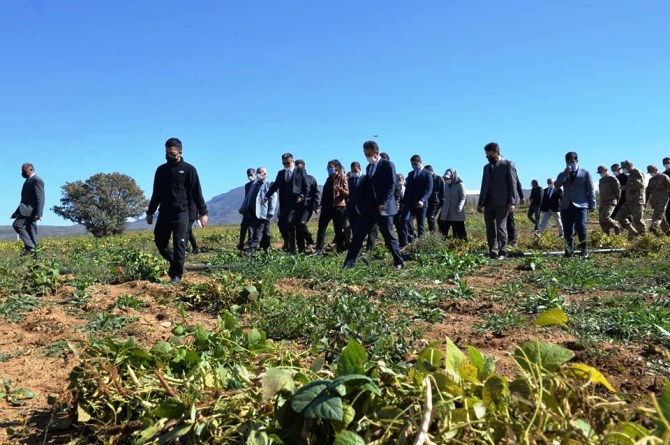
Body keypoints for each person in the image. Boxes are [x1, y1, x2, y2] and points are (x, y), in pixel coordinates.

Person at [147, 138, 208, 284]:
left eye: (172, 153)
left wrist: (203, 212)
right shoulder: (161, 170)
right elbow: (156, 193)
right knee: (160, 240)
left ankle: (176, 275)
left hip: (182, 211)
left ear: (179, 152)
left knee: (179, 242)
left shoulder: (189, 169)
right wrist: (150, 212)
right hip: (165, 212)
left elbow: (196, 192)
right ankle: (175, 262)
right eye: (167, 153)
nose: (169, 156)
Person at [343, 141, 404, 269]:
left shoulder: (388, 165)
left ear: (376, 152)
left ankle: (399, 262)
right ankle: (348, 264)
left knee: (388, 236)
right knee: (358, 235)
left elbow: (391, 186)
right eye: (365, 154)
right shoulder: (369, 167)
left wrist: (384, 203)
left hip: (383, 208)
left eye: (369, 154)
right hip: (369, 208)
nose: (367, 156)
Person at [477, 142, 519, 259]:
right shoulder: (486, 168)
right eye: (486, 156)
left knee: (501, 227)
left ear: (496, 152)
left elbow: (513, 183)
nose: (488, 158)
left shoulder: (508, 164)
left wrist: (512, 202)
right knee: (490, 228)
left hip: (503, 202)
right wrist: (480, 203)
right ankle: (493, 252)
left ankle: (503, 251)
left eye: (490, 155)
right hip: (488, 202)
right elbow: (483, 185)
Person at [554, 151, 595, 258]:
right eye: (568, 161)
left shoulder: (585, 173)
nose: (570, 163)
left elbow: (591, 189)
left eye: (572, 161)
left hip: (581, 205)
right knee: (567, 230)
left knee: (581, 227)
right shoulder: (562, 174)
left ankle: (584, 250)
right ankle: (569, 251)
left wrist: (592, 204)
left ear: (577, 161)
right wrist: (564, 173)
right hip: (566, 205)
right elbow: (557, 185)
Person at [264, 153, 307, 254]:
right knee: (281, 223)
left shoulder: (300, 171)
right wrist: (267, 196)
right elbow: (275, 186)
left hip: (295, 203)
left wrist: (302, 195)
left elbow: (306, 186)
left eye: (287, 163)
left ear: (292, 161)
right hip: (284, 203)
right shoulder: (281, 173)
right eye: (284, 163)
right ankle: (287, 241)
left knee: (289, 223)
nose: (286, 165)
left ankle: (292, 248)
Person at [314, 160, 349, 254]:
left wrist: (340, 190)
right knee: (321, 227)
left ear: (336, 167)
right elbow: (325, 193)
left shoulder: (343, 177)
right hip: (327, 207)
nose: (329, 169)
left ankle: (340, 250)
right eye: (328, 168)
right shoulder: (328, 179)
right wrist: (320, 205)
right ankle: (319, 249)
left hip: (338, 207)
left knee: (338, 229)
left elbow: (347, 193)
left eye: (331, 167)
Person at [399, 155, 433, 247]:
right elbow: (408, 189)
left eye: (415, 164)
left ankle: (421, 245)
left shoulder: (427, 174)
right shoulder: (410, 174)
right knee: (405, 220)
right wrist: (404, 202)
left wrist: (422, 200)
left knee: (420, 224)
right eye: (412, 164)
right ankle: (408, 242)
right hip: (410, 203)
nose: (414, 165)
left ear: (420, 162)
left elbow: (429, 189)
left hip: (421, 203)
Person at [242, 167, 277, 255]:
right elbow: (248, 198)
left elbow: (273, 197)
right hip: (253, 212)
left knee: (258, 231)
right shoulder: (254, 185)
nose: (258, 174)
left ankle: (252, 250)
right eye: (257, 172)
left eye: (260, 172)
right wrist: (244, 207)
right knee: (263, 231)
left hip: (263, 212)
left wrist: (270, 211)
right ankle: (265, 249)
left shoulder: (269, 184)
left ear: (265, 174)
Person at [12, 163, 45, 255]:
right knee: (32, 230)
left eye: (24, 170)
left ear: (30, 170)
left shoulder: (36, 180)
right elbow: (25, 200)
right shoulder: (28, 181)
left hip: (30, 211)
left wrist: (39, 213)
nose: (22, 172)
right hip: (27, 210)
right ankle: (36, 255)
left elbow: (40, 198)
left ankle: (30, 247)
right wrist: (16, 212)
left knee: (17, 224)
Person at [347, 162, 377, 252]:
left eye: (355, 170)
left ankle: (369, 248)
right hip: (352, 208)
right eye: (352, 170)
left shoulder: (365, 179)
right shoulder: (350, 180)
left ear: (359, 169)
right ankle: (358, 247)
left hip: (364, 207)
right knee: (355, 228)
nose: (353, 172)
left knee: (370, 229)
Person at [616, 160, 646, 239]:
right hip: (629, 201)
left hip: (637, 201)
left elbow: (640, 185)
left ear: (629, 166)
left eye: (624, 168)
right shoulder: (630, 175)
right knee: (619, 216)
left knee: (638, 221)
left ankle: (643, 239)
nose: (623, 170)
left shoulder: (637, 173)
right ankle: (634, 233)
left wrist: (626, 187)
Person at [295, 160, 319, 253]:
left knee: (302, 223)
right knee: (297, 227)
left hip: (307, 206)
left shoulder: (311, 179)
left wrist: (317, 205)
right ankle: (301, 249)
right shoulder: (294, 180)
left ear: (304, 166)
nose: (298, 168)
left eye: (300, 167)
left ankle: (309, 239)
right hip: (296, 207)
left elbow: (317, 193)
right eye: (296, 166)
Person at [437, 168, 467, 240]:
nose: (447, 179)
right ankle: (442, 243)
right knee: (442, 226)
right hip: (446, 209)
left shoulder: (460, 184)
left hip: (456, 210)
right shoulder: (446, 185)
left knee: (458, 228)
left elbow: (463, 197)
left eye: (448, 178)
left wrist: (460, 206)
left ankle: (460, 245)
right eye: (446, 178)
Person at [596, 165, 622, 235]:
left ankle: (616, 225)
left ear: (606, 170)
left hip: (611, 201)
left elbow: (618, 191)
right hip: (603, 202)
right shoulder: (601, 181)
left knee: (605, 217)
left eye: (601, 172)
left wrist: (617, 200)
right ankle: (607, 235)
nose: (600, 174)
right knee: (601, 220)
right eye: (599, 172)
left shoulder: (612, 179)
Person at [645, 165, 670, 236]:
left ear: (656, 170)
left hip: (663, 200)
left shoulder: (664, 177)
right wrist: (645, 202)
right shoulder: (651, 180)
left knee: (657, 216)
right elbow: (648, 192)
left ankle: (654, 228)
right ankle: (668, 231)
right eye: (649, 172)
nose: (651, 174)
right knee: (661, 216)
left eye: (651, 172)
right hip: (654, 202)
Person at [236, 168, 256, 251]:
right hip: (247, 209)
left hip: (254, 210)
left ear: (254, 174)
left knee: (252, 227)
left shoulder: (258, 184)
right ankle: (241, 244)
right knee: (243, 226)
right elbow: (246, 197)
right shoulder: (247, 185)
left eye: (251, 174)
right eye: (248, 175)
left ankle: (251, 243)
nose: (250, 176)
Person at [506, 174, 525, 247]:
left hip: (509, 200)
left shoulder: (509, 167)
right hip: (497, 199)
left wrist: (521, 196)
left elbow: (517, 182)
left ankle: (512, 240)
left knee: (509, 220)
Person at [424, 165, 444, 233]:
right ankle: (433, 234)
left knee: (431, 218)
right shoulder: (426, 179)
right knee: (429, 218)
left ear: (430, 171)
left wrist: (442, 202)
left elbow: (442, 191)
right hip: (428, 201)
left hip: (435, 202)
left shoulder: (438, 178)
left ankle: (433, 235)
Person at [663, 157, 670, 228]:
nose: (667, 164)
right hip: (668, 197)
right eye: (665, 163)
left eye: (668, 163)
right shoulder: (663, 175)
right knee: (668, 213)